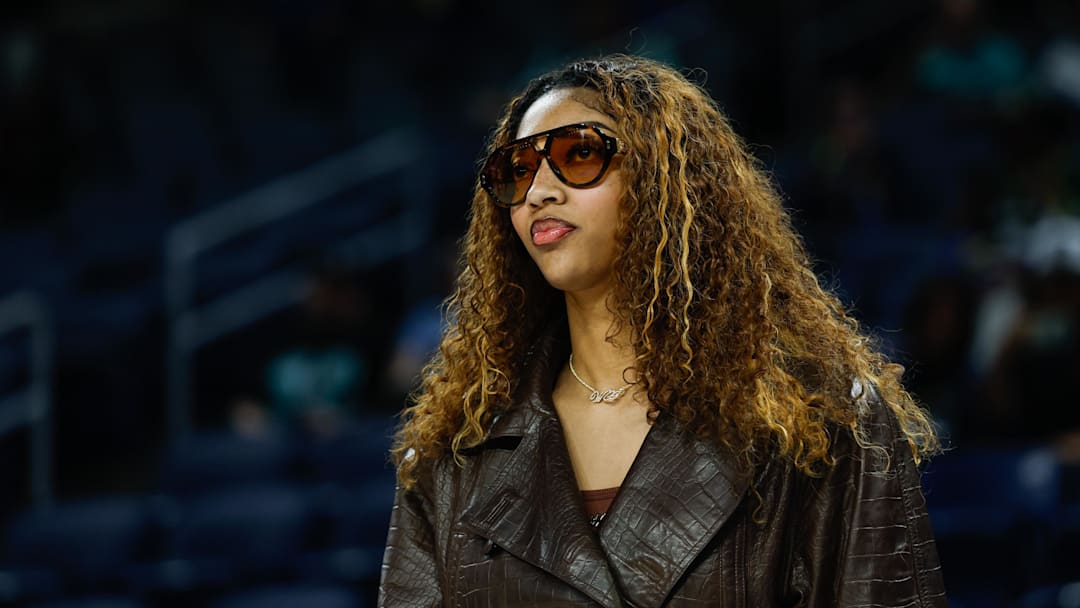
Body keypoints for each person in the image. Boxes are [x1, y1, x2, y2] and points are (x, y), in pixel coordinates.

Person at [380, 54, 946, 607]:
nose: (539, 191)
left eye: (579, 155)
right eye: (518, 170)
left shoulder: (826, 419)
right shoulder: (452, 450)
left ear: (665, 183)